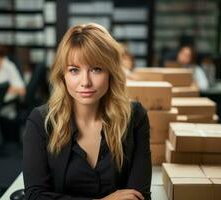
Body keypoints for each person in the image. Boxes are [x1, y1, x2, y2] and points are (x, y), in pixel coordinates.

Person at [23, 23, 152, 200]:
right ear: (63, 75)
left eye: (96, 69)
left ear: (110, 72)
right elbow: (35, 196)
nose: (86, 82)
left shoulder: (134, 117)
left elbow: (138, 196)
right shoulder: (41, 122)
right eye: (74, 70)